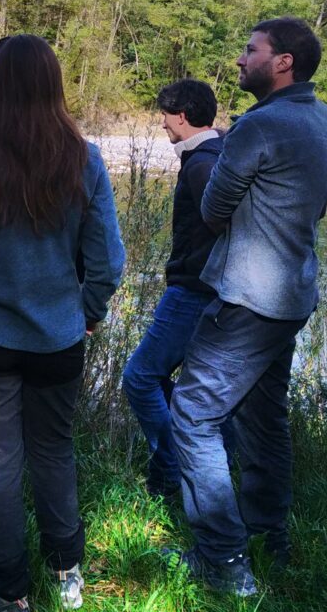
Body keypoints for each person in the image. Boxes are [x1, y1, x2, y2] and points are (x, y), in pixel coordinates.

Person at [0, 34, 126, 612]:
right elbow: (108, 259)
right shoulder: (84, 158)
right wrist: (88, 313)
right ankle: (67, 572)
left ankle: (7, 588)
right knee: (53, 450)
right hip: (57, 336)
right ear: (54, 84)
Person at [166, 17, 327, 596]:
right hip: (293, 294)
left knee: (193, 415)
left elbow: (214, 211)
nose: (241, 60)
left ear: (284, 61)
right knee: (264, 416)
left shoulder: (258, 127)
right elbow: (313, 209)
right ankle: (270, 534)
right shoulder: (326, 121)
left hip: (245, 298)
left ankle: (223, 557)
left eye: (251, 50)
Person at [121, 78, 222, 500]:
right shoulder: (217, 152)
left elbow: (220, 224)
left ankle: (169, 466)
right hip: (207, 290)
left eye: (165, 115)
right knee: (186, 387)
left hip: (192, 290)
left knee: (140, 378)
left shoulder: (201, 163)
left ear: (181, 117)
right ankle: (180, 474)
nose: (162, 123)